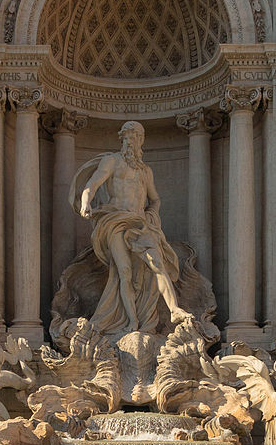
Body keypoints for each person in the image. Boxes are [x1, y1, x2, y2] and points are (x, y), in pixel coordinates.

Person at [70, 120, 188, 336]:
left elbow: (155, 199)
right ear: (122, 139)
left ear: (141, 141)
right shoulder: (111, 161)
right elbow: (92, 184)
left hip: (140, 223)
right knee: (123, 271)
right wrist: (86, 201)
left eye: (136, 137)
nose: (131, 141)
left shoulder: (145, 171)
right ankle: (132, 322)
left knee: (157, 263)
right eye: (127, 137)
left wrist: (152, 215)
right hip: (115, 220)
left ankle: (174, 310)